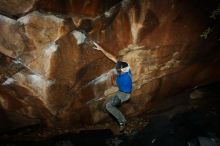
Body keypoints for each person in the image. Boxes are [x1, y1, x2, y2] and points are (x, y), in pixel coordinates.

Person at [93, 42, 132, 131]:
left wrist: (111, 76)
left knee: (109, 106)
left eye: (118, 69)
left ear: (121, 70)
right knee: (109, 103)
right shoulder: (127, 69)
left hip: (124, 95)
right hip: (122, 92)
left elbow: (114, 84)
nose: (116, 69)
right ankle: (109, 108)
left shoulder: (123, 79)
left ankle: (122, 121)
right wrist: (101, 49)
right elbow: (112, 57)